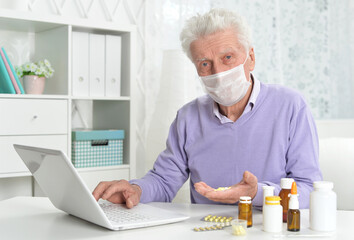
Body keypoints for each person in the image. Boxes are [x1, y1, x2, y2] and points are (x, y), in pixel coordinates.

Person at [93, 8, 322, 209]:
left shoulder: (290, 106)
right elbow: (164, 180)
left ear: (250, 57)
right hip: (206, 231)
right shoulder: (188, 117)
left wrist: (257, 194)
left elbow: (309, 189)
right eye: (204, 63)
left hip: (268, 230)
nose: (218, 72)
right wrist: (136, 190)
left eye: (228, 57)